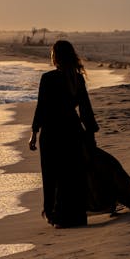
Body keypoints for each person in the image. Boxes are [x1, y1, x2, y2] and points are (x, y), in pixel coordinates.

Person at [29, 40, 99, 228]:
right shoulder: (77, 78)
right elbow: (85, 109)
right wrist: (91, 133)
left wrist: (34, 132)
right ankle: (75, 216)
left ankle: (56, 216)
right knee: (72, 174)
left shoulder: (48, 78)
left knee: (52, 175)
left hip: (52, 132)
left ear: (55, 57)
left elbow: (41, 108)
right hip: (72, 130)